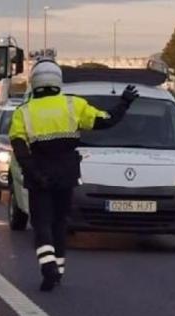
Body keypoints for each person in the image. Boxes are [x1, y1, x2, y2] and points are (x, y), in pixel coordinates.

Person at [9, 59, 139, 292]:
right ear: (58, 81)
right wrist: (124, 103)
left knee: (42, 224)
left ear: (34, 82)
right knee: (60, 222)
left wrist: (34, 173)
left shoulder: (23, 113)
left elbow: (20, 150)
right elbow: (105, 121)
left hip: (39, 175)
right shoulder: (74, 105)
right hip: (67, 174)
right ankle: (58, 270)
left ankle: (48, 266)